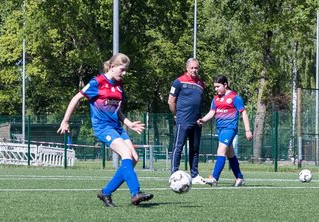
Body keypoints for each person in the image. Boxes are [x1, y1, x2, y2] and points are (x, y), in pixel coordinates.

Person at [56, 52, 153, 207]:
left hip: (117, 127)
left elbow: (116, 110)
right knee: (126, 154)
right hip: (103, 128)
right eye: (122, 69)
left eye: (126, 70)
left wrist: (128, 123)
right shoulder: (97, 82)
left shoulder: (119, 85)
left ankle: (105, 193)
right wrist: (65, 121)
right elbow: (76, 98)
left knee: (134, 158)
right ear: (112, 66)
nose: (124, 73)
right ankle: (136, 193)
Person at [197, 75, 253, 186]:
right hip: (221, 130)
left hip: (230, 129)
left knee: (221, 151)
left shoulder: (234, 97)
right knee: (230, 154)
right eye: (215, 87)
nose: (216, 89)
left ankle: (214, 178)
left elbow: (244, 113)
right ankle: (239, 177)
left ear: (225, 85)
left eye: (218, 86)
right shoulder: (215, 99)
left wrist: (247, 130)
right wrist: (203, 120)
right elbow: (212, 113)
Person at [168, 57, 207, 184]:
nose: (194, 70)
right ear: (187, 68)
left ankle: (195, 175)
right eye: (192, 68)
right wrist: (176, 115)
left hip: (196, 121)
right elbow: (171, 101)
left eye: (196, 68)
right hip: (183, 120)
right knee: (178, 147)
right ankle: (174, 173)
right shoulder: (178, 82)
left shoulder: (201, 83)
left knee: (195, 149)